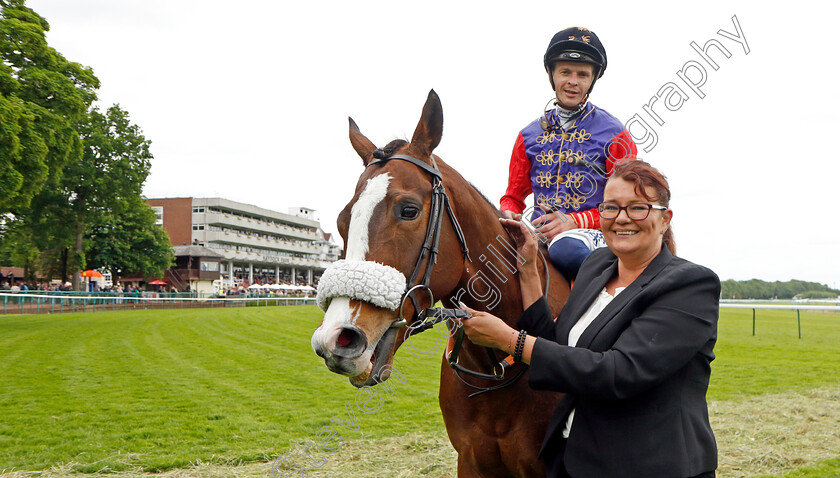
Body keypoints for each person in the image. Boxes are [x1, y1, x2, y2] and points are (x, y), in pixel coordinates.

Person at [465, 161, 719, 477]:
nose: (622, 218)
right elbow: (559, 345)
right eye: (611, 208)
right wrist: (528, 268)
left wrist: (509, 341)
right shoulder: (597, 266)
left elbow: (618, 373)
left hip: (650, 466)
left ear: (665, 219)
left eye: (638, 208)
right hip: (574, 459)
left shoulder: (690, 285)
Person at [501, 27, 637, 279]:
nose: (573, 81)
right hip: (538, 232)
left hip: (592, 235)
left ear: (592, 80)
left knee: (566, 249)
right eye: (565, 72)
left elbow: (628, 205)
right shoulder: (527, 135)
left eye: (582, 74)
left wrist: (574, 221)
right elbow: (513, 197)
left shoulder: (616, 134)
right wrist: (508, 212)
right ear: (552, 75)